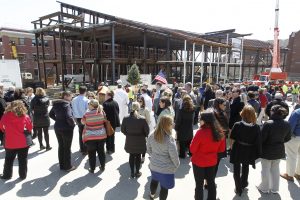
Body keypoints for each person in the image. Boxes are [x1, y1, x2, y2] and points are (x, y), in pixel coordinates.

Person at [190, 111, 225, 200]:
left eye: (200, 119)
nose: (199, 121)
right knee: (211, 183)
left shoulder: (200, 132)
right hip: (212, 161)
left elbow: (192, 149)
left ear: (205, 121)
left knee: (199, 185)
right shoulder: (220, 131)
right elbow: (221, 149)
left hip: (199, 162)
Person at [257, 105, 291, 194]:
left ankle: (264, 188)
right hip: (279, 149)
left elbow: (262, 138)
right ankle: (275, 189)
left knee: (265, 169)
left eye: (271, 110)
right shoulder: (286, 123)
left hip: (267, 150)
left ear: (273, 111)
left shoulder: (268, 123)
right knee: (275, 170)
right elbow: (288, 138)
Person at [230, 105, 261, 196]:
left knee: (236, 169)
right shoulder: (256, 127)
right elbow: (257, 141)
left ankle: (238, 188)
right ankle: (243, 183)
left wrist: (231, 147)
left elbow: (232, 138)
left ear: (243, 113)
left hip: (238, 148)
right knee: (245, 167)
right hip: (249, 149)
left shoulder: (237, 124)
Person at [147, 115, 180, 200]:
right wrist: (176, 166)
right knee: (164, 188)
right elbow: (174, 157)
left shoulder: (152, 135)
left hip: (154, 166)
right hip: (166, 169)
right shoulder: (169, 140)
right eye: (171, 123)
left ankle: (152, 195)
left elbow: (148, 150)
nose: (173, 124)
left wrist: (154, 156)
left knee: (154, 180)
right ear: (167, 125)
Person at [0, 100, 33, 180]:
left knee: (8, 159)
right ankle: (23, 175)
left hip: (10, 142)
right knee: (23, 159)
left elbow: (1, 127)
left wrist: (7, 131)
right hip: (23, 142)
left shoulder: (5, 116)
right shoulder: (25, 116)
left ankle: (7, 175)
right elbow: (30, 128)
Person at [49, 91, 76, 172]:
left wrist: (58, 120)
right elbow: (69, 117)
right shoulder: (66, 104)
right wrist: (72, 125)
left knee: (61, 146)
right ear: (66, 96)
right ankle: (68, 166)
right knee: (67, 147)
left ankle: (62, 165)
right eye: (71, 96)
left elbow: (50, 114)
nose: (71, 98)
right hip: (66, 128)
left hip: (57, 127)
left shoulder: (56, 104)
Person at [121, 102, 149, 178]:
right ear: (139, 108)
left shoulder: (126, 118)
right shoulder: (142, 119)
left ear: (131, 108)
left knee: (131, 155)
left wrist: (128, 134)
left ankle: (132, 172)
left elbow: (123, 130)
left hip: (130, 140)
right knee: (138, 156)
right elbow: (147, 132)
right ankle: (137, 172)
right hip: (140, 141)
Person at [81, 99, 107, 173]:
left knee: (91, 153)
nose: (88, 105)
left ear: (92, 105)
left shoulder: (87, 114)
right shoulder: (102, 112)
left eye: (89, 104)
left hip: (90, 137)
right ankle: (103, 166)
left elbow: (82, 122)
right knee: (101, 152)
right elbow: (104, 121)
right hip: (101, 135)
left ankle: (92, 168)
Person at [280, 107, 300, 182]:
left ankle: (289, 175)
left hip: (295, 137)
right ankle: (298, 174)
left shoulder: (297, 112)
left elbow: (290, 127)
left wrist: (286, 137)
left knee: (291, 156)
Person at [212, 98, 229, 176]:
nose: (225, 106)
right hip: (218, 140)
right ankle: (210, 180)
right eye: (224, 104)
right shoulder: (219, 113)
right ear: (219, 105)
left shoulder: (216, 112)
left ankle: (208, 180)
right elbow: (224, 127)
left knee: (213, 162)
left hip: (216, 139)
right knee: (215, 162)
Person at [71, 86, 89, 155]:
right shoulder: (86, 100)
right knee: (86, 134)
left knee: (80, 133)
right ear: (85, 91)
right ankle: (85, 149)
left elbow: (72, 109)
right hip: (84, 118)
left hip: (77, 118)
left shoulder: (74, 99)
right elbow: (88, 110)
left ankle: (82, 148)